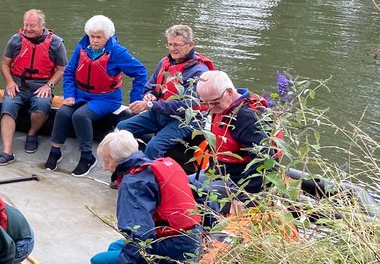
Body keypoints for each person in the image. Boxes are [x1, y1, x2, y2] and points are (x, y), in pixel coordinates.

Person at [89, 130, 203, 264]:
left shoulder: (133, 182)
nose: (105, 167)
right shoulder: (161, 166)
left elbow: (140, 232)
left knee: (99, 261)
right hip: (191, 239)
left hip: (175, 250)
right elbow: (200, 195)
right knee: (115, 246)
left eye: (107, 161)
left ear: (119, 159)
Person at [45, 15, 148, 178]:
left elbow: (140, 72)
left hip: (106, 98)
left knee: (80, 116)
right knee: (63, 113)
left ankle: (87, 157)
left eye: (99, 37)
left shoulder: (117, 53)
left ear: (107, 37)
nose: (94, 40)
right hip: (80, 95)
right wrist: (69, 94)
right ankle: (55, 151)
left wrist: (136, 99)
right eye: (92, 36)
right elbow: (70, 72)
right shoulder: (82, 48)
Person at [116, 24, 214, 159]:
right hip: (160, 113)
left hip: (185, 120)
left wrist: (150, 105)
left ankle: (150, 177)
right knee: (122, 128)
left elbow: (185, 105)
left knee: (154, 146)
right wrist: (149, 96)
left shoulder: (199, 71)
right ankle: (131, 166)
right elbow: (149, 87)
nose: (172, 49)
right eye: (170, 44)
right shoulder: (165, 62)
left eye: (177, 45)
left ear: (190, 44)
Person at [190, 70, 275, 223]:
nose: (209, 107)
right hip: (218, 172)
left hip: (240, 182)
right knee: (175, 183)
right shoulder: (222, 107)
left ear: (229, 92)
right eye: (205, 102)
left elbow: (265, 161)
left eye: (214, 102)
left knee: (195, 192)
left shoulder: (248, 118)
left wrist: (242, 197)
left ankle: (207, 232)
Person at [0, 9, 68, 165]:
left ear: (42, 26)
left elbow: (62, 69)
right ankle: (7, 151)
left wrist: (49, 85)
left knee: (41, 105)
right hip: (18, 85)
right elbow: (5, 64)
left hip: (42, 86)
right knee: (8, 106)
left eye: (32, 26)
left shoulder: (56, 43)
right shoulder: (15, 40)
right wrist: (9, 82)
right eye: (26, 25)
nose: (28, 29)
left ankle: (32, 133)